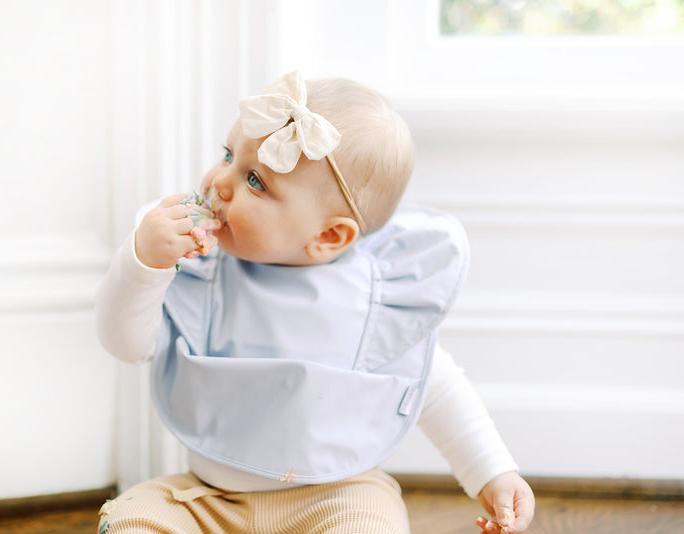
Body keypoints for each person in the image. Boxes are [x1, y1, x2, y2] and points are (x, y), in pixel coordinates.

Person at [95, 71, 535, 534]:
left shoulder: (376, 302)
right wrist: (143, 264)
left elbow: (437, 389)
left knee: (370, 523)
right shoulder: (203, 271)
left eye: (255, 181)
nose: (220, 183)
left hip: (338, 496)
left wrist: (492, 471)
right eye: (228, 155)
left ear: (328, 236)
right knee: (134, 519)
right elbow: (125, 344)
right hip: (206, 498)